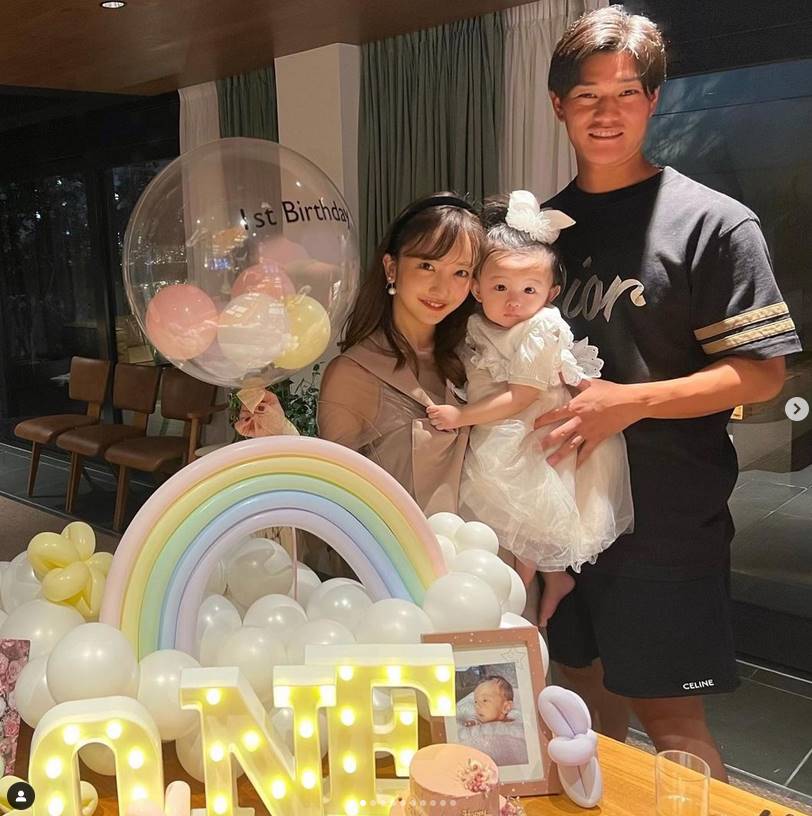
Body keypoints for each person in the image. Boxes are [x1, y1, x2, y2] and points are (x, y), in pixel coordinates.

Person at [537, 6, 801, 779]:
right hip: (562, 516)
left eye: (626, 93)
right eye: (587, 96)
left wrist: (630, 401)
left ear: (653, 100)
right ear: (558, 106)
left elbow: (762, 373)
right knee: (579, 698)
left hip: (665, 521)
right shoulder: (543, 233)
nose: (606, 113)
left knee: (673, 722)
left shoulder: (714, 226)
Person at [427, 192, 633, 626]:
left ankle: (525, 597)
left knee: (523, 513)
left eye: (529, 290)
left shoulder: (540, 328)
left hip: (532, 431)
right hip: (502, 424)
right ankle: (548, 582)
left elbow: (520, 397)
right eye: (500, 287)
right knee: (511, 520)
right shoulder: (479, 323)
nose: (513, 301)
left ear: (550, 294)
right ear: (476, 288)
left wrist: (461, 416)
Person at [317, 193, 486, 515]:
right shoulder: (354, 373)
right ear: (391, 268)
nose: (442, 288)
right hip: (398, 547)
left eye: (461, 272)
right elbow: (334, 499)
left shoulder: (476, 360)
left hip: (489, 546)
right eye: (427, 265)